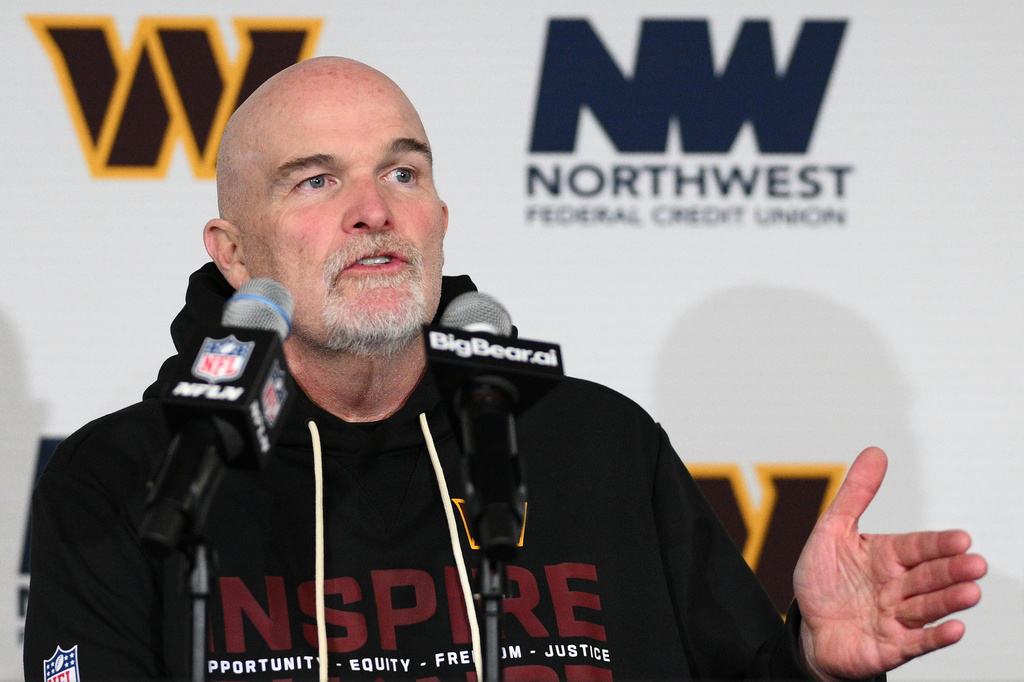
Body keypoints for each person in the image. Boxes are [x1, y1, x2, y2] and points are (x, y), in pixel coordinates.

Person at [23, 56, 986, 682]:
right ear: (233, 252)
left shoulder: (596, 448)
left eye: (404, 172)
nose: (375, 211)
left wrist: (810, 665)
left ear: (439, 216)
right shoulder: (126, 480)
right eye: (316, 180)